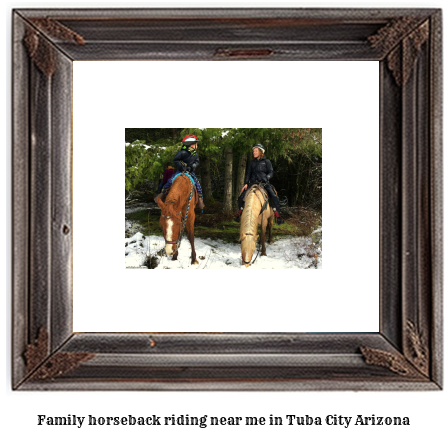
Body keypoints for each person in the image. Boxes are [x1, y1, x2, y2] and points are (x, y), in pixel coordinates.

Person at [235, 144, 284, 224]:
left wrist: (266, 178)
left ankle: (278, 217)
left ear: (261, 152)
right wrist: (246, 183)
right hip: (252, 184)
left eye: (256, 151)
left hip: (264, 184)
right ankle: (239, 215)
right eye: (253, 151)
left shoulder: (267, 162)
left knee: (274, 197)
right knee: (241, 197)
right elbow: (248, 174)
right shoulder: (251, 163)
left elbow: (271, 172)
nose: (254, 152)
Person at [158, 135, 204, 208]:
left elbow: (197, 162)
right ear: (192, 145)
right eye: (196, 144)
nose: (197, 146)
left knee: (196, 183)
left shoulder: (195, 154)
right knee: (171, 180)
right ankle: (163, 193)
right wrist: (182, 167)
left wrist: (192, 167)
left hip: (190, 172)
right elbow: (175, 160)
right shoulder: (182, 152)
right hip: (180, 171)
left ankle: (199, 198)